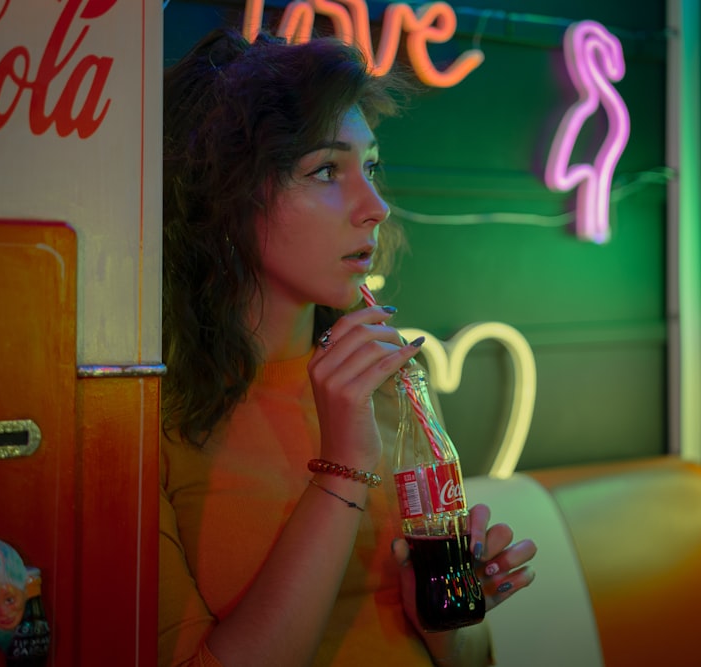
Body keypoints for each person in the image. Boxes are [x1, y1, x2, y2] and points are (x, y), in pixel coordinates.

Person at [158, 26, 537, 667]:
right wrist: (343, 465)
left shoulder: (393, 380)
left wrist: (447, 617)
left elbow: (474, 658)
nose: (376, 206)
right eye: (326, 169)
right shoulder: (150, 419)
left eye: (371, 166)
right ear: (224, 199)